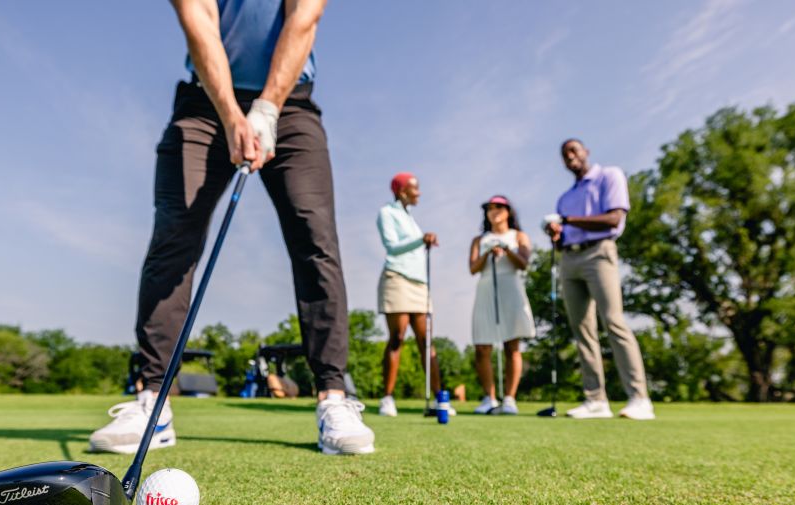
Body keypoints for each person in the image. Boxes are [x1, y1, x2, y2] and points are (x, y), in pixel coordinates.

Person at [90, 0, 375, 456]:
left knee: (314, 238)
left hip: (292, 104)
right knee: (174, 236)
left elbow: (305, 18)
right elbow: (198, 20)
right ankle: (153, 400)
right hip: (205, 104)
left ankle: (333, 397)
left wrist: (266, 109)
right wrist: (231, 115)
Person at [544, 138, 655, 420]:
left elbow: (613, 219)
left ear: (586, 152)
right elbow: (563, 236)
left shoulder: (609, 175)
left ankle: (639, 398)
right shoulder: (564, 197)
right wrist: (556, 235)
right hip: (569, 259)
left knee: (614, 321)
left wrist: (567, 221)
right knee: (582, 330)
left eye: (574, 150)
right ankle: (596, 400)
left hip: (600, 252)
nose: (570, 156)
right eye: (564, 154)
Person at [375, 172, 452, 417]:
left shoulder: (411, 218)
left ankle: (440, 399)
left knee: (426, 341)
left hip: (420, 283)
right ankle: (387, 398)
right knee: (397, 337)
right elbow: (391, 247)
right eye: (414, 188)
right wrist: (421, 240)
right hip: (397, 278)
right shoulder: (387, 213)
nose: (418, 193)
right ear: (401, 190)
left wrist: (422, 241)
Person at [468, 195, 535, 414]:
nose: (493, 211)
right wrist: (488, 252)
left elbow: (523, 263)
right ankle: (489, 397)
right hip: (487, 288)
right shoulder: (480, 240)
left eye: (498, 207)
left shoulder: (519, 236)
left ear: (508, 211)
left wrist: (507, 250)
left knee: (512, 345)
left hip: (510, 287)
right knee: (482, 346)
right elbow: (473, 268)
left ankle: (509, 398)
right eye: (489, 208)